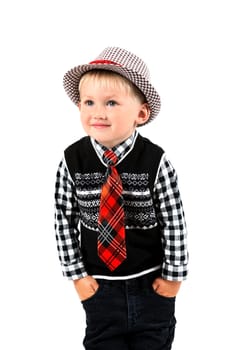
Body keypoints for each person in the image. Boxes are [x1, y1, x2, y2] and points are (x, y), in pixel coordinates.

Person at [54, 46, 188, 350]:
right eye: (88, 102)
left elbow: (174, 220)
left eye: (111, 102)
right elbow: (64, 218)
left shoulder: (155, 160)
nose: (97, 112)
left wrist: (174, 277)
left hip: (151, 283)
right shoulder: (72, 160)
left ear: (140, 113)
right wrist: (76, 276)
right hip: (99, 287)